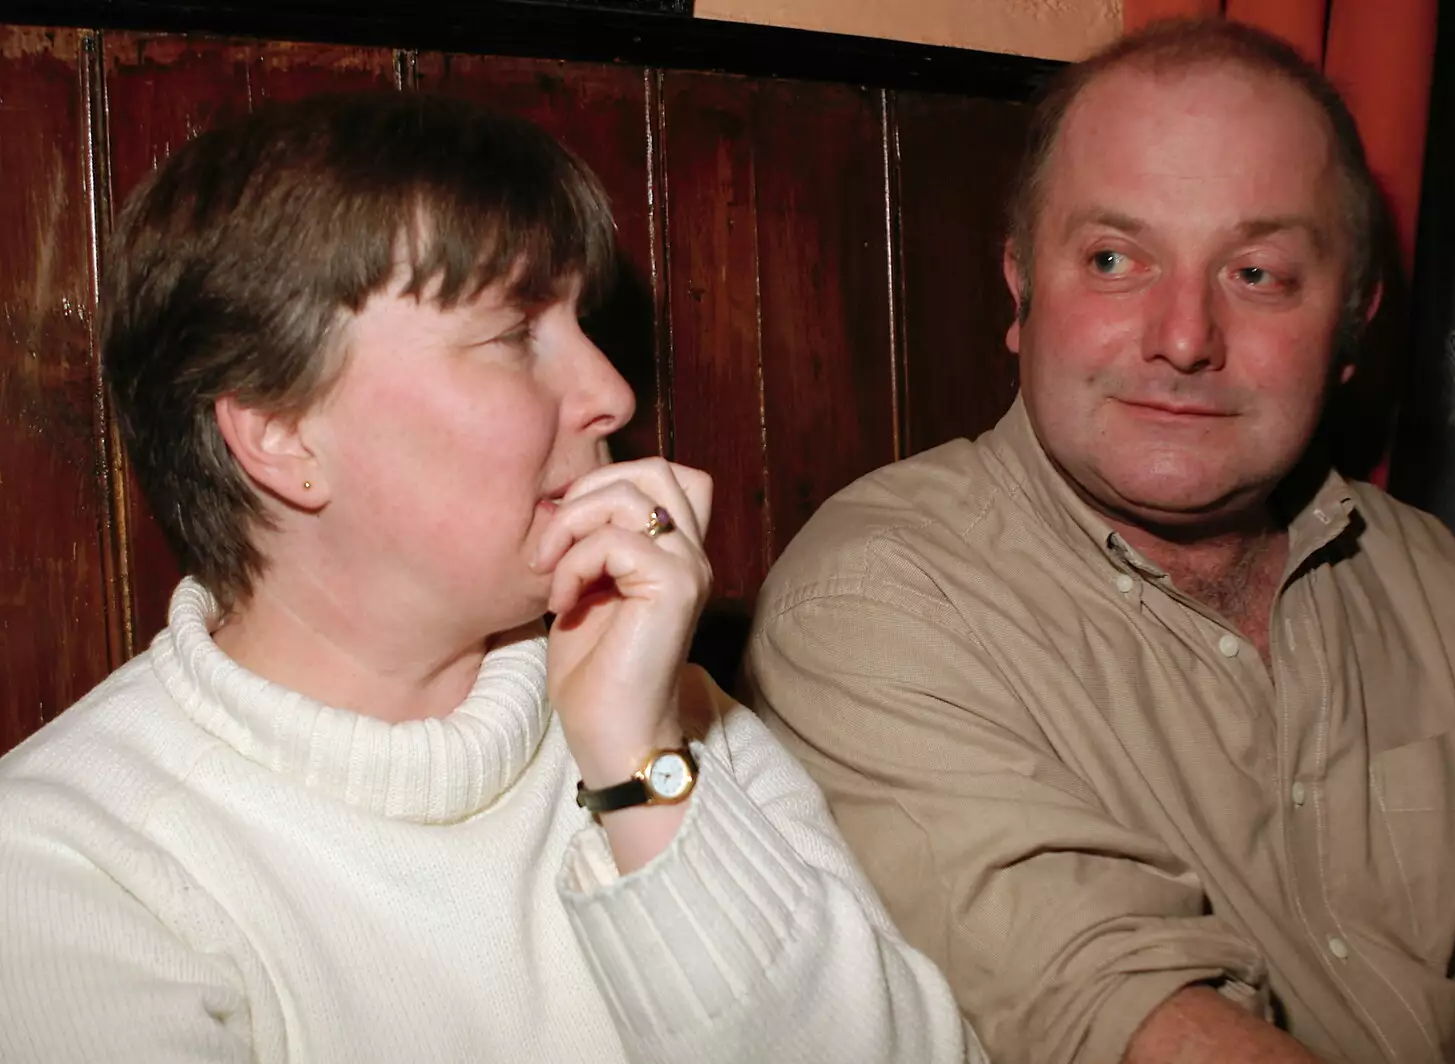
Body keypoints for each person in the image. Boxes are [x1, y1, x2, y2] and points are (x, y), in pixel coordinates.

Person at [0, 91, 986, 1064]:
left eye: (578, 321)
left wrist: (636, 764)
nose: (611, 393)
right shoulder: (66, 861)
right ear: (281, 430)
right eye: (515, 333)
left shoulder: (668, 713)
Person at [745, 18, 1455, 1064]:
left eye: (1257, 273)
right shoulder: (876, 600)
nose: (1184, 337)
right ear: (1021, 291)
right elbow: (1126, 1019)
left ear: (1350, 326)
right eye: (1114, 258)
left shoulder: (1427, 577)